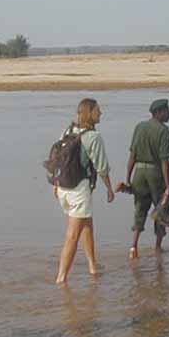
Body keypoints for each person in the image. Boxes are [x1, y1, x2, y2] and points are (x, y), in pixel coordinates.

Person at [54, 98, 116, 284]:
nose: (101, 113)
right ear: (90, 113)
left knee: (86, 224)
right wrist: (109, 188)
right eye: (98, 110)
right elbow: (101, 167)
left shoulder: (68, 131)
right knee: (72, 235)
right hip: (79, 190)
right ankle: (61, 278)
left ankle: (92, 265)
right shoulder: (93, 137)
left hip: (63, 188)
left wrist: (55, 184)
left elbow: (58, 160)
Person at [125, 98, 169, 259]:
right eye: (167, 111)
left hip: (139, 173)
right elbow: (164, 160)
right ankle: (158, 249)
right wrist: (168, 186)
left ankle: (133, 247)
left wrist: (128, 178)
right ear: (159, 113)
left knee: (140, 209)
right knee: (161, 209)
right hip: (154, 173)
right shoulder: (163, 131)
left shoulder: (139, 127)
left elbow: (132, 155)